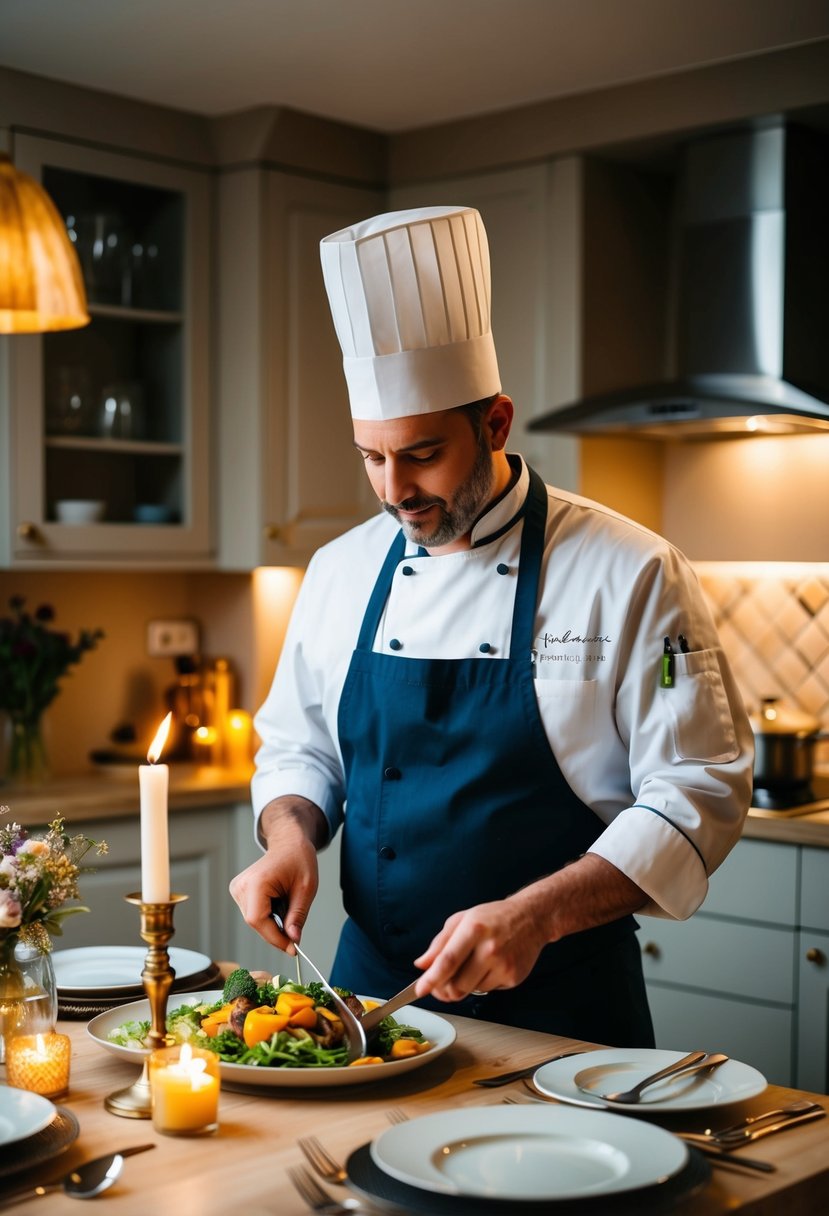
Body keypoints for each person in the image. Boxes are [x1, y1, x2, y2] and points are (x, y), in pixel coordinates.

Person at [230, 205, 753, 1046]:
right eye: (372, 456)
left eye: (423, 453)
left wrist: (536, 916)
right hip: (365, 1004)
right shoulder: (338, 570)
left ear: (496, 424)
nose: (394, 489)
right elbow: (299, 747)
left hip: (564, 1012)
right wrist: (290, 838)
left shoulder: (631, 570)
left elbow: (698, 791)